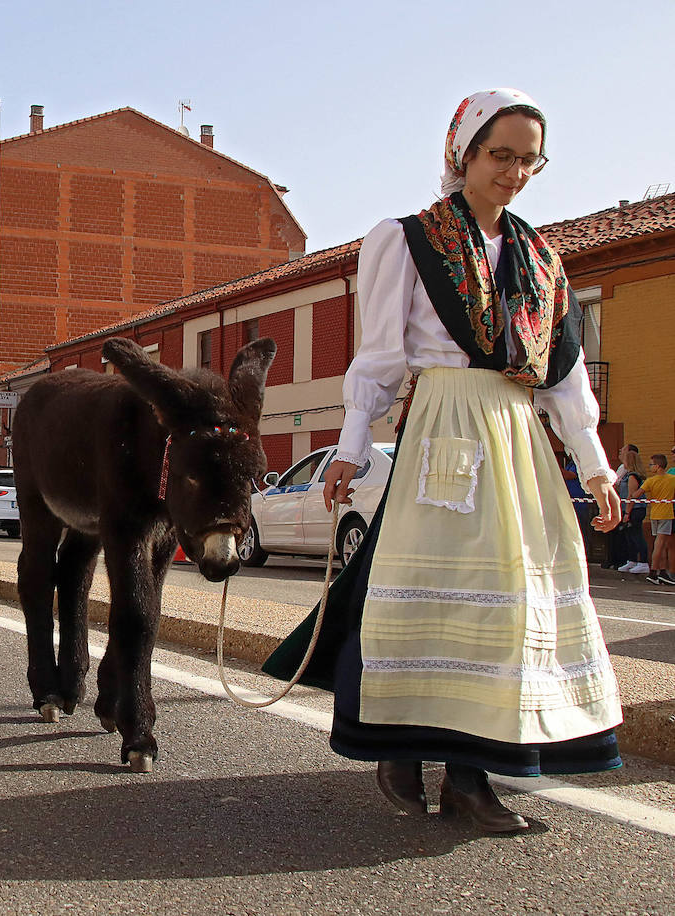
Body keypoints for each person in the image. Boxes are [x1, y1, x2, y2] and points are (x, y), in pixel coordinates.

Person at [264, 90, 622, 834]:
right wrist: (352, 448)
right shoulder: (407, 239)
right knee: (428, 597)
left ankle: (469, 778)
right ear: (462, 155)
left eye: (529, 159)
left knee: (508, 607)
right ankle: (400, 752)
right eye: (501, 155)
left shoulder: (542, 259)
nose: (515, 172)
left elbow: (561, 371)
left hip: (517, 437)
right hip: (443, 426)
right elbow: (382, 356)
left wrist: (591, 464)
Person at [632, 454, 675, 585]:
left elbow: (636, 495)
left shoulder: (650, 481)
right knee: (659, 545)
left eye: (651, 465)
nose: (650, 467)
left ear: (657, 466)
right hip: (666, 515)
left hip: (654, 515)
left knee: (659, 544)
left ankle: (661, 572)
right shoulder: (672, 479)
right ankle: (653, 572)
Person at [613, 445, 649, 575]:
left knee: (636, 535)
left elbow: (631, 495)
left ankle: (643, 562)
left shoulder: (632, 476)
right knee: (629, 535)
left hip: (635, 509)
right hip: (627, 508)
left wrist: (628, 512)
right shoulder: (626, 475)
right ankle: (632, 560)